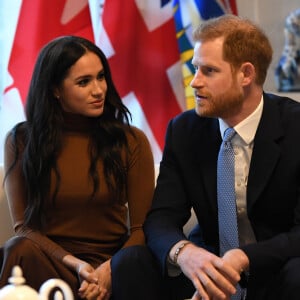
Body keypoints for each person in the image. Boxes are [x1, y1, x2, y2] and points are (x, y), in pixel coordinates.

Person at [144, 14, 300, 300]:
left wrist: (244, 257)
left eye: (209, 71)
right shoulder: (184, 129)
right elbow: (161, 218)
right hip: (206, 265)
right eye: (195, 69)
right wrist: (185, 253)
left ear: (246, 74)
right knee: (131, 264)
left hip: (276, 269)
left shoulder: (295, 127)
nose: (195, 83)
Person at [0, 35, 155, 300]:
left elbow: (142, 229)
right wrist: (77, 264)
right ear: (55, 89)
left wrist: (107, 270)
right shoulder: (21, 141)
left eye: (101, 77)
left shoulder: (131, 140)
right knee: (18, 248)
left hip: (113, 263)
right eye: (84, 82)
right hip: (51, 261)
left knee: (137, 260)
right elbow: (24, 228)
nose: (98, 90)